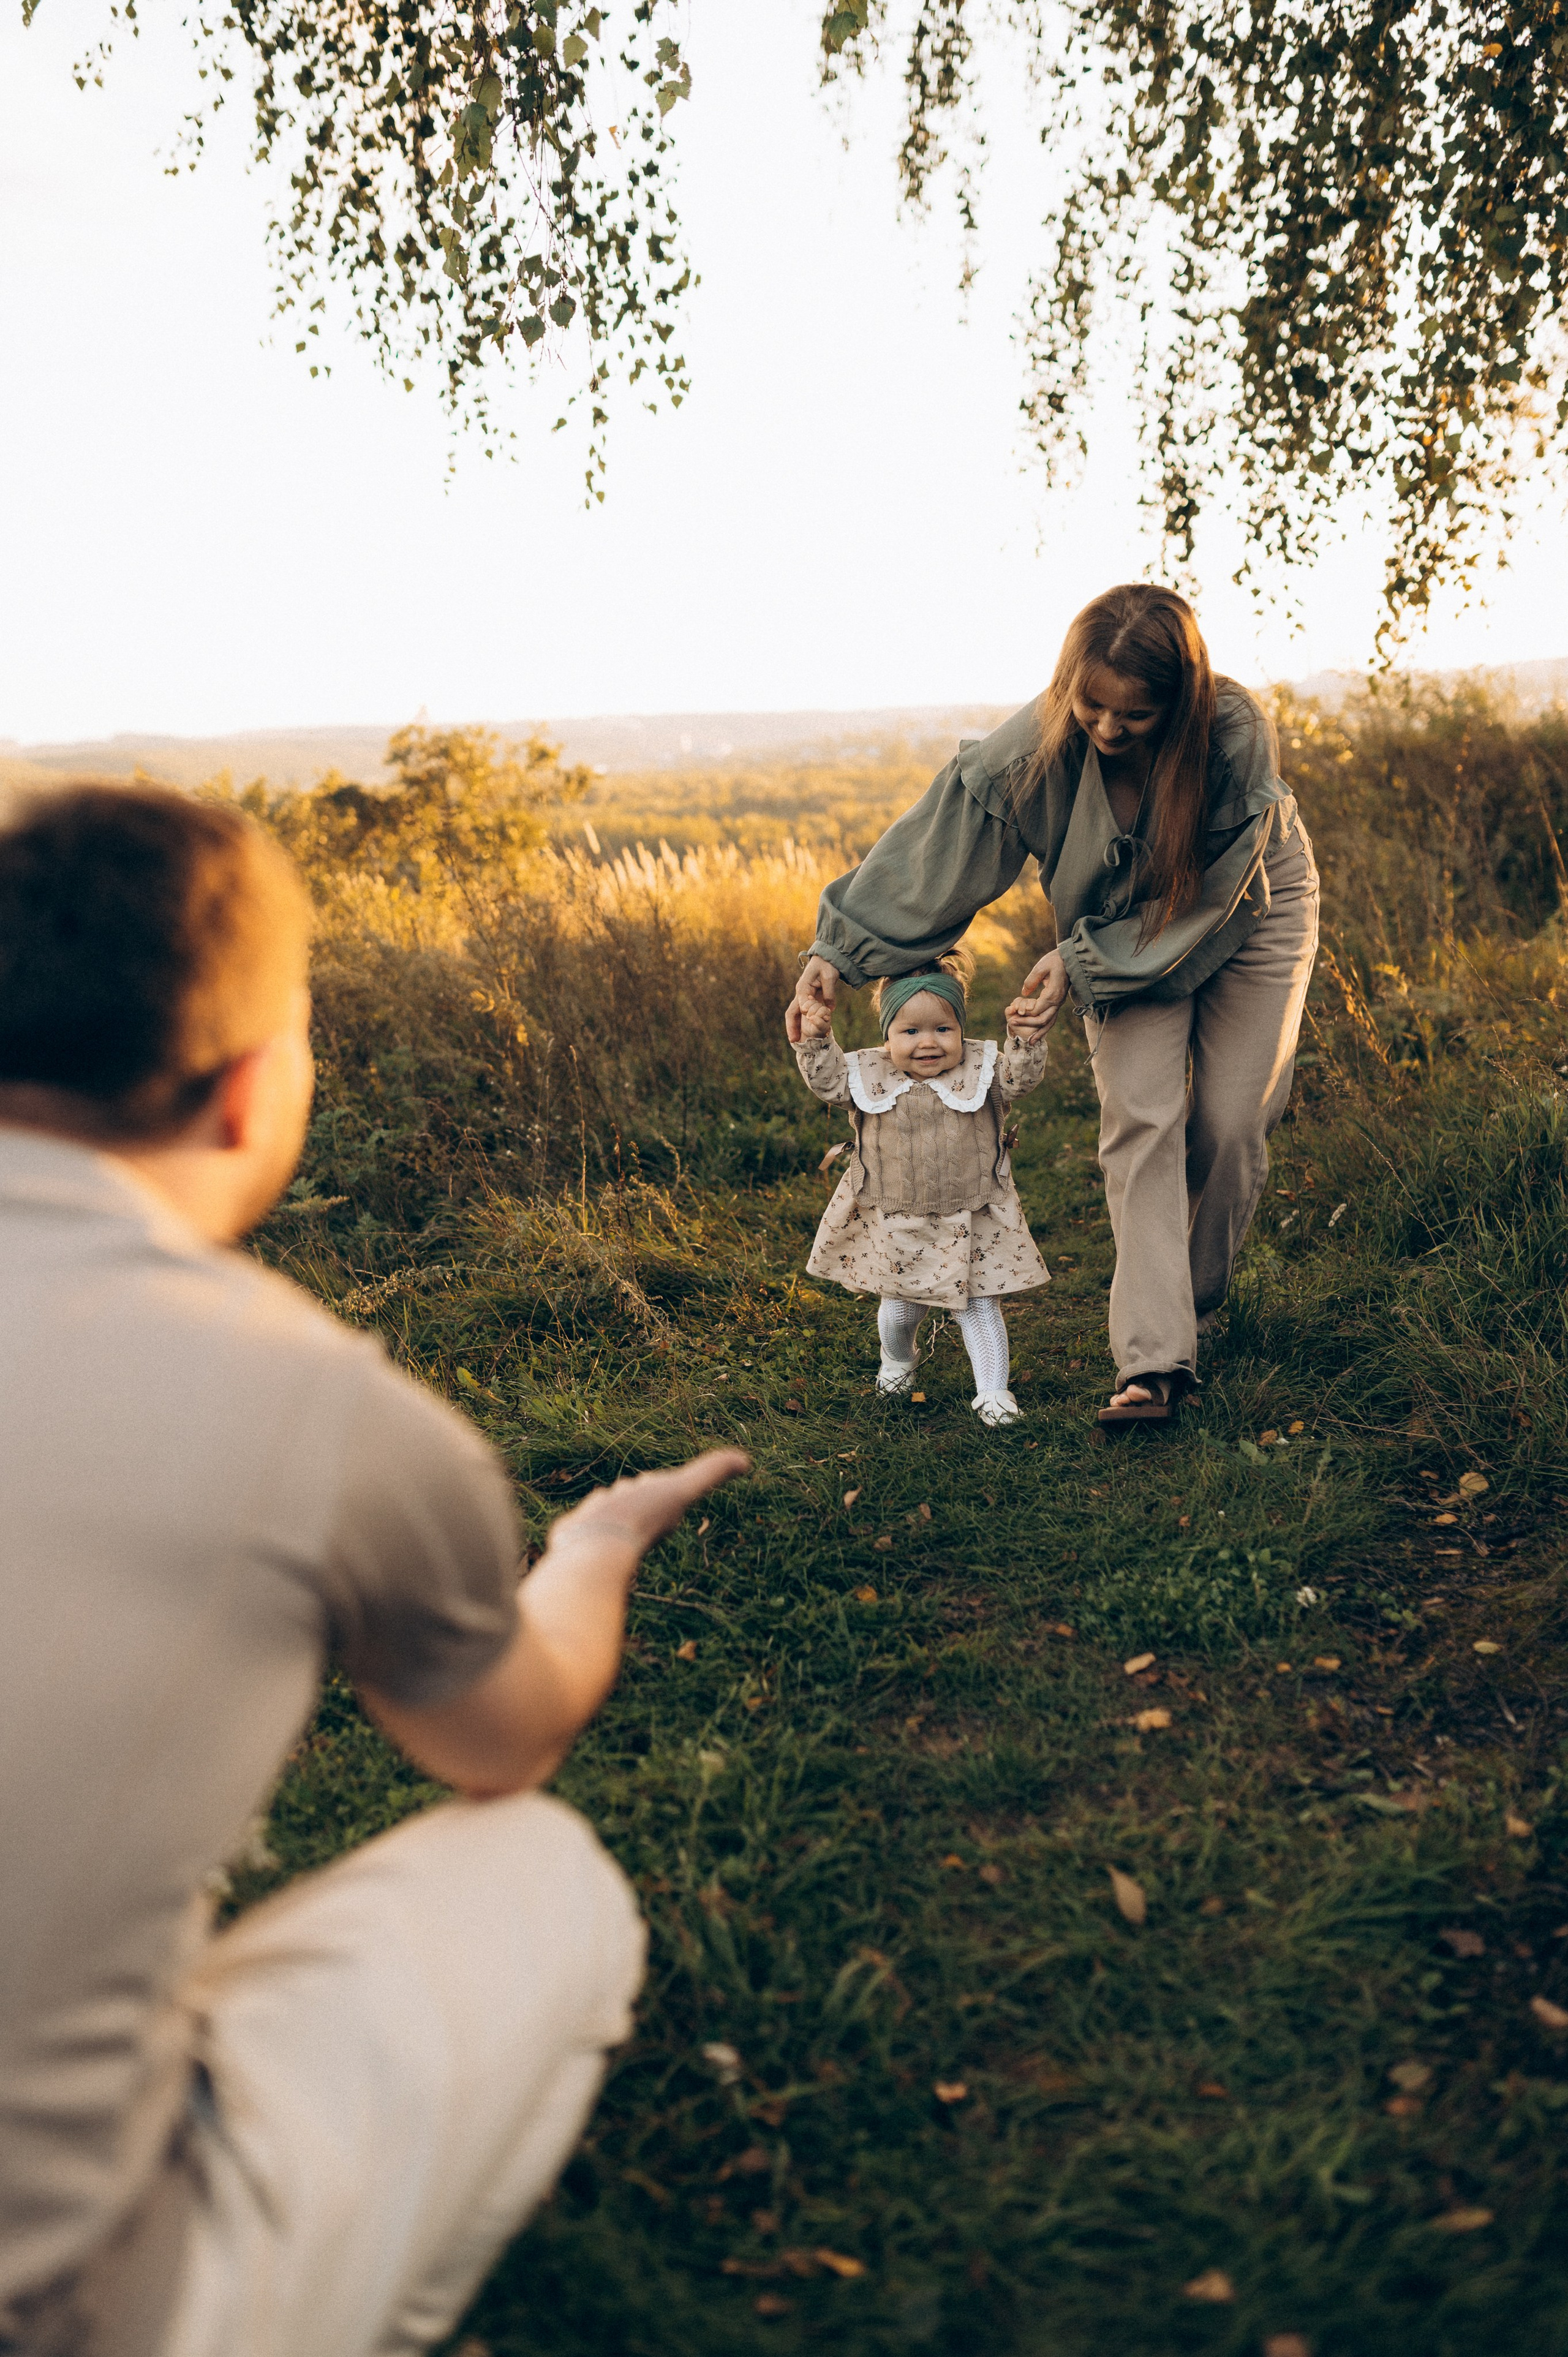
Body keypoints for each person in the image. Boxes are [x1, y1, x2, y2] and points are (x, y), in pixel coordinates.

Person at [0, 784, 747, 2357]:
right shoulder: (317, 1408)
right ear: (253, 1088)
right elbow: (501, 1734)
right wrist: (592, 1543)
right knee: (538, 1874)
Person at [791, 583, 1320, 1426]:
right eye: (1091, 704)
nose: (1107, 729)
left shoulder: (1234, 732)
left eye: (1134, 715)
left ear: (1181, 701)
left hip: (1247, 908)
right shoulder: (1032, 749)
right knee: (1143, 1118)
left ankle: (1192, 1299)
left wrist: (1079, 960)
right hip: (1113, 932)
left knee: (1230, 1123)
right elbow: (938, 851)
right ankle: (1156, 1363)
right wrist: (839, 952)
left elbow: (1211, 892)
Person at [786, 952, 1049, 1427]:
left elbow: (1019, 1079)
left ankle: (993, 1393)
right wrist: (817, 1038)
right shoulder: (868, 1075)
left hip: (972, 1218)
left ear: (960, 1030)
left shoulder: (981, 1070)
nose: (928, 1042)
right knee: (900, 1310)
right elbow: (827, 1084)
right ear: (887, 1035)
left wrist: (1025, 1042)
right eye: (910, 1032)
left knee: (979, 1303)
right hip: (897, 1220)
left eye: (942, 1030)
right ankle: (899, 1357)